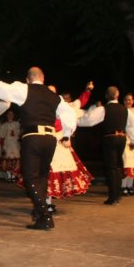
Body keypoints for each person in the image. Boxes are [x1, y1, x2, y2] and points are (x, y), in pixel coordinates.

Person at [0, 67, 76, 230]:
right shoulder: (54, 97)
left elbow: (3, 89)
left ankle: (44, 214)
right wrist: (67, 135)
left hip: (33, 137)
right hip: (50, 139)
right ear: (43, 78)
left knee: (30, 177)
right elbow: (69, 115)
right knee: (42, 177)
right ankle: (40, 213)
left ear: (28, 79)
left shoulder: (25, 89)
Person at [77, 86, 134, 205]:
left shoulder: (104, 109)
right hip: (122, 138)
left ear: (107, 96)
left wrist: (75, 121)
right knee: (117, 166)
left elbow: (88, 120)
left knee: (111, 167)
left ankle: (113, 197)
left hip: (110, 138)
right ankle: (117, 194)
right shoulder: (125, 110)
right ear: (117, 96)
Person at [45, 83, 94, 213]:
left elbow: (79, 103)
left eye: (53, 92)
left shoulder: (62, 105)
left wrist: (88, 90)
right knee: (48, 171)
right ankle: (46, 203)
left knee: (57, 171)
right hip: (46, 139)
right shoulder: (40, 105)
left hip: (60, 140)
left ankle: (48, 202)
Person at [0, 109, 21, 183]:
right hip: (7, 145)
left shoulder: (17, 124)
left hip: (16, 145)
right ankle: (8, 176)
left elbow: (21, 134)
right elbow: (1, 137)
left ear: (14, 116)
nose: (10, 116)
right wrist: (1, 147)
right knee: (7, 161)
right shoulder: (4, 125)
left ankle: (14, 176)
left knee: (16, 160)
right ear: (7, 115)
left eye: (11, 114)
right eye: (9, 114)